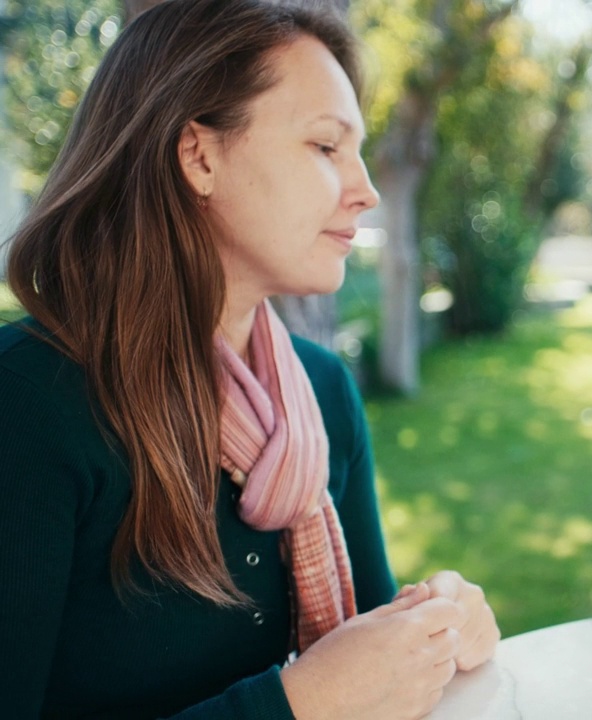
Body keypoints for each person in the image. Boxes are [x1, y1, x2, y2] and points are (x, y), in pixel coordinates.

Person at [0, 1, 499, 717]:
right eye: (326, 147)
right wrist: (295, 705)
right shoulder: (27, 404)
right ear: (199, 156)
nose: (365, 190)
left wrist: (437, 624)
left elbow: (367, 652)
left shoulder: (321, 390)